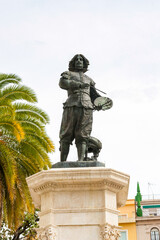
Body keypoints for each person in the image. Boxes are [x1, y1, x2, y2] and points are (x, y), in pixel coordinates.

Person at [59, 54, 103, 162]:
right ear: (73, 62)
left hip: (86, 107)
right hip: (71, 105)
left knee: (83, 135)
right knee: (66, 133)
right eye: (77, 59)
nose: (79, 61)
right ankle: (63, 162)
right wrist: (78, 85)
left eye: (81, 59)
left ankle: (81, 161)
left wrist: (100, 103)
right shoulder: (68, 74)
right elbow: (62, 83)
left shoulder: (89, 80)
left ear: (84, 63)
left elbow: (94, 95)